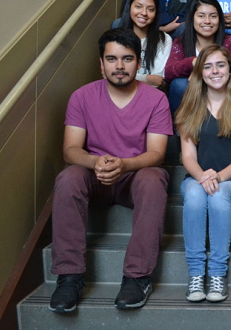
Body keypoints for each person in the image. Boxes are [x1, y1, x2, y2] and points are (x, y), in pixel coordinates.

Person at [48, 29, 172, 313]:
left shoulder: (155, 99)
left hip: (134, 177)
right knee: (68, 178)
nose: (119, 66)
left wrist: (124, 165)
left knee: (155, 178)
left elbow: (157, 153)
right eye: (112, 59)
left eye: (127, 59)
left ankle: (137, 277)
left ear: (138, 63)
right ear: (101, 64)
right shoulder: (81, 97)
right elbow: (70, 149)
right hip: (96, 176)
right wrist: (95, 162)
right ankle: (70, 276)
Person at [176, 45, 231, 303]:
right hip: (197, 179)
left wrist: (217, 177)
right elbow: (187, 156)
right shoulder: (189, 108)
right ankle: (196, 274)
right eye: (208, 66)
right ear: (200, 73)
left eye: (220, 65)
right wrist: (203, 176)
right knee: (196, 194)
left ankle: (217, 274)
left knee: (218, 194)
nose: (215, 71)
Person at [165, 0, 231, 116]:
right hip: (191, 102)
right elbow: (169, 72)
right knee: (179, 85)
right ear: (192, 19)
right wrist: (193, 63)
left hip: (223, 96)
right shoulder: (181, 42)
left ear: (219, 19)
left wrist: (199, 73)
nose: (207, 21)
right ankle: (180, 132)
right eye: (201, 16)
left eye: (213, 16)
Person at [119, 0, 172, 89]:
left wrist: (129, 78)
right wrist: (148, 78)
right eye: (138, 7)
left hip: (150, 93)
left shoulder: (164, 39)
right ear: (129, 7)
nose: (144, 13)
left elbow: (158, 80)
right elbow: (112, 75)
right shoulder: (116, 38)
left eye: (150, 9)